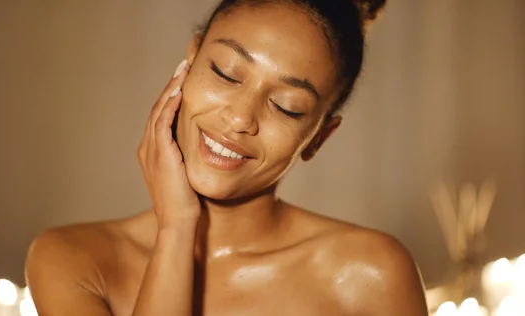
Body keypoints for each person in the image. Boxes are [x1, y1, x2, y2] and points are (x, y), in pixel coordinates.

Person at [25, 0, 429, 315]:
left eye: (287, 107)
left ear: (318, 137)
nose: (239, 119)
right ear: (191, 57)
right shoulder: (73, 259)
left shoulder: (371, 276)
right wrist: (178, 229)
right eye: (226, 73)